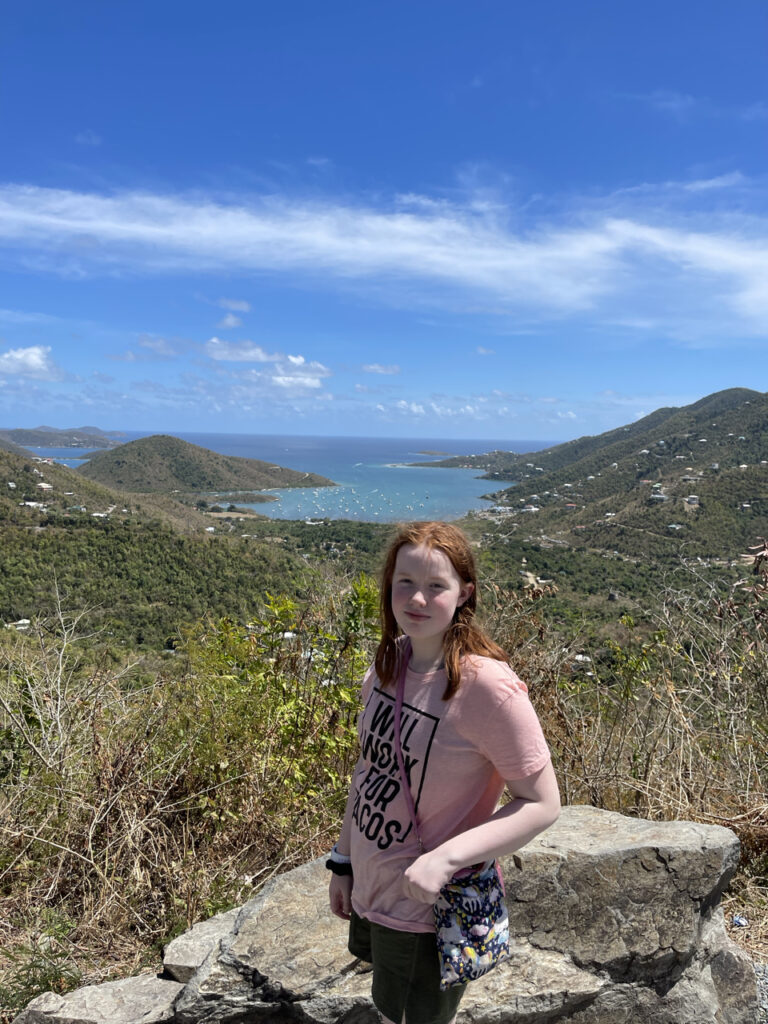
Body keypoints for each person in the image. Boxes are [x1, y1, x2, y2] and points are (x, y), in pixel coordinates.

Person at [328, 522, 560, 1024]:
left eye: (436, 586)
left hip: (427, 906)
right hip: (375, 885)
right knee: (388, 1004)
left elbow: (543, 804)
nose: (417, 598)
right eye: (405, 582)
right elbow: (369, 769)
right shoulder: (389, 661)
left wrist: (445, 859)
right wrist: (343, 861)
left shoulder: (487, 688)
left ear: (464, 593)